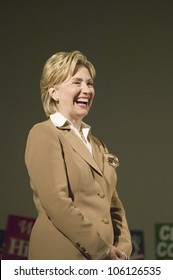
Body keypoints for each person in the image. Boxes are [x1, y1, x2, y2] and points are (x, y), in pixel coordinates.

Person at [25, 50, 132, 260]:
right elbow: (57, 202)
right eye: (77, 83)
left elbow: (114, 206)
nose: (86, 90)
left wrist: (123, 250)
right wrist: (101, 250)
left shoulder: (98, 144)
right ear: (54, 92)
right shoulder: (44, 133)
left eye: (90, 84)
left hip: (105, 263)